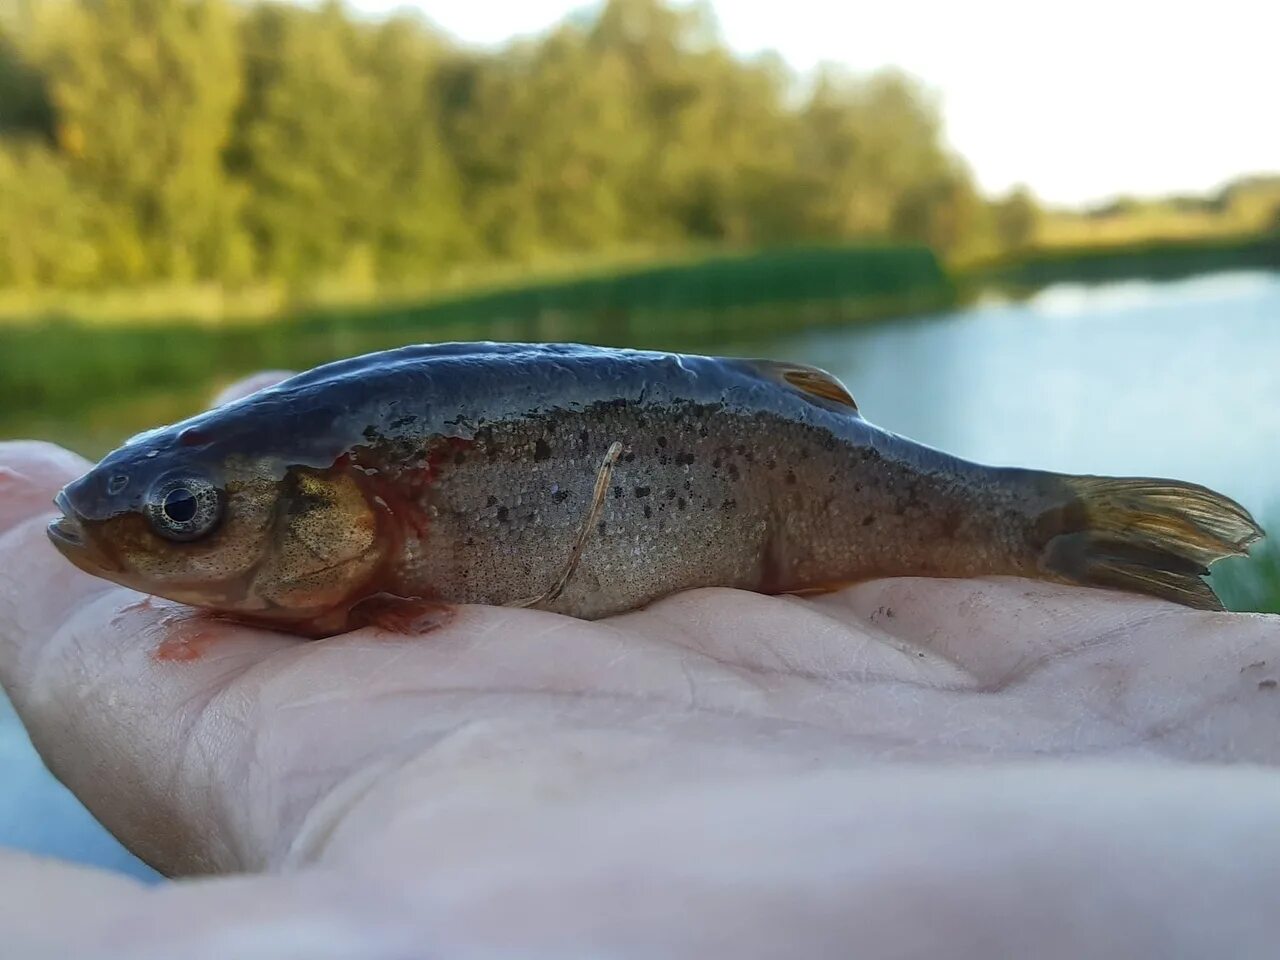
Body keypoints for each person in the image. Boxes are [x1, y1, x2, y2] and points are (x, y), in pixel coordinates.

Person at [0, 375, 1278, 959]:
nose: (139, 541)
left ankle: (1050, 526)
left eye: (184, 515)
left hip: (768, 455)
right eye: (188, 511)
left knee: (1015, 517)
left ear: (333, 503)